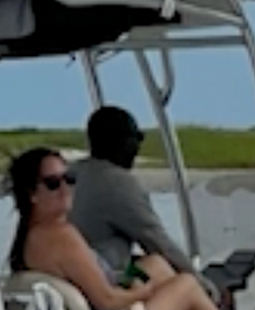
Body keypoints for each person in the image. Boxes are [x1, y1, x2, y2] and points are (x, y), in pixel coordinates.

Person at [5, 147, 255, 310]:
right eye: (53, 183)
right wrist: (145, 292)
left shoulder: (32, 237)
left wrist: (139, 286)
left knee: (154, 265)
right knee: (186, 285)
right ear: (32, 194)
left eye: (70, 179)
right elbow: (107, 301)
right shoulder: (62, 236)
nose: (65, 188)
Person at [69, 105, 198, 284]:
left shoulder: (75, 172)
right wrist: (205, 285)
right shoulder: (115, 182)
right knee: (167, 270)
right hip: (104, 282)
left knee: (149, 264)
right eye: (136, 138)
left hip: (79, 276)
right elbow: (157, 242)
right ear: (119, 142)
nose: (138, 146)